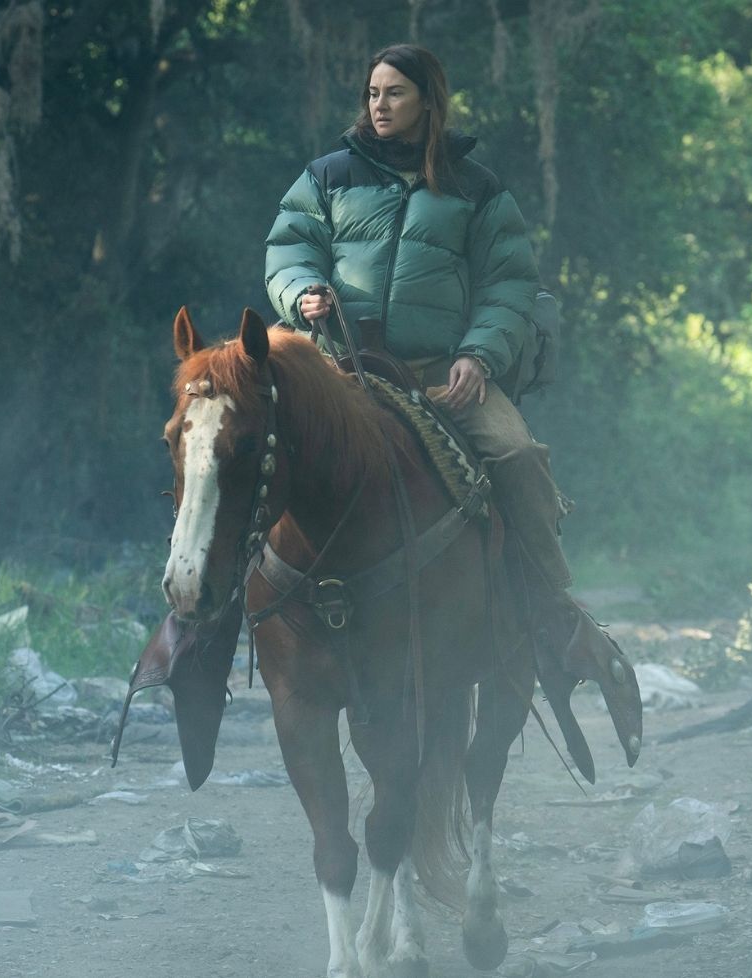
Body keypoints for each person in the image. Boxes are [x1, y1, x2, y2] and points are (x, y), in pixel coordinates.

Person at [263, 43, 640, 763]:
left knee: (518, 454)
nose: (379, 104)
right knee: (245, 443)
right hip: (344, 366)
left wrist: (479, 356)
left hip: (444, 373)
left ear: (429, 102)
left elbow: (509, 286)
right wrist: (299, 291)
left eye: (395, 93)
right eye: (372, 91)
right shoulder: (328, 175)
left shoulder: (476, 188)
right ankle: (205, 618)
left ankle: (553, 617)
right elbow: (290, 246)